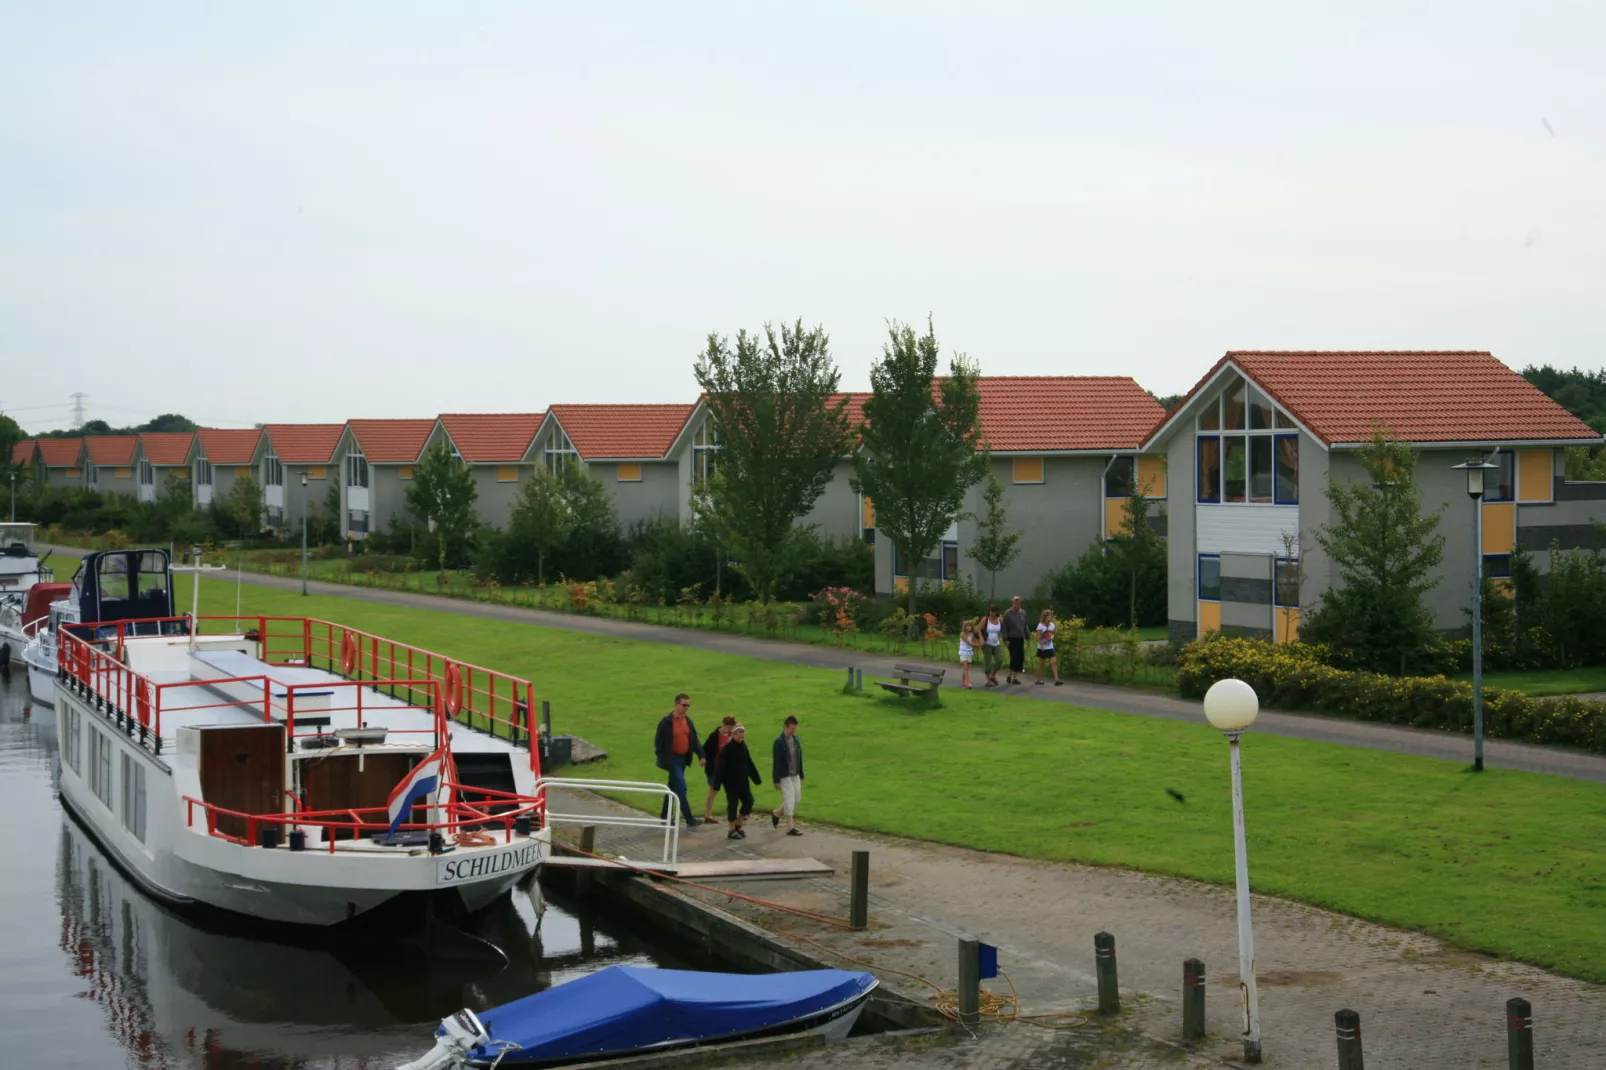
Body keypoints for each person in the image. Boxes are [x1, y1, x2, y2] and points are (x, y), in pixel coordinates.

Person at [653, 692, 705, 827]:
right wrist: (664, 758)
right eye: (684, 705)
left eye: (688, 705)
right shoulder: (666, 722)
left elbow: (694, 740)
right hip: (672, 760)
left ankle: (665, 816)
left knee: (672, 787)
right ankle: (689, 818)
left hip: (682, 759)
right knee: (681, 788)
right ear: (676, 705)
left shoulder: (688, 721)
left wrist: (701, 755)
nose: (686, 707)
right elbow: (658, 742)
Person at [716, 723, 762, 839]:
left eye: (743, 732)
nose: (742, 735)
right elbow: (721, 767)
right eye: (739, 733)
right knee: (733, 804)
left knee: (749, 801)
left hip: (743, 781)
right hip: (731, 783)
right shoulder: (727, 749)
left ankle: (738, 824)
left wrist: (756, 778)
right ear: (734, 734)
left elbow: (748, 762)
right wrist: (717, 784)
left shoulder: (743, 746)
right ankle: (731, 829)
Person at [769, 715, 805, 836]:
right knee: (789, 800)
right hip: (784, 775)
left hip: (795, 774)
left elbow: (799, 758)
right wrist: (776, 780)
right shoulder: (779, 743)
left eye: (795, 729)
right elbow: (776, 762)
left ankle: (777, 812)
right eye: (791, 729)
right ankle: (790, 827)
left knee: (797, 799)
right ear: (786, 727)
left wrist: (801, 773)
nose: (793, 731)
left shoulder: (796, 740)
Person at [701, 715, 737, 823]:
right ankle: (708, 815)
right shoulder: (714, 736)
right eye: (729, 727)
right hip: (715, 769)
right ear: (724, 725)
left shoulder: (731, 736)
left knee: (733, 791)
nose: (730, 730)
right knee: (713, 791)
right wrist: (703, 759)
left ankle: (735, 814)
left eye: (731, 728)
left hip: (727, 770)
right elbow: (705, 749)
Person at [1001, 596, 1029, 685]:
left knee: (1020, 658)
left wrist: (1028, 637)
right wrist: (1005, 639)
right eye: (1015, 603)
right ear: (1012, 603)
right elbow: (1004, 628)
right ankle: (1011, 676)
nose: (1017, 605)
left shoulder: (1023, 613)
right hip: (1011, 638)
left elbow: (1025, 626)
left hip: (1020, 638)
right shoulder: (1008, 614)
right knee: (1014, 657)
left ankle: (1014, 677)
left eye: (1019, 603)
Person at [1035, 608, 1062, 686]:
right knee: (1041, 663)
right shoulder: (1040, 625)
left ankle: (1057, 680)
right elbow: (1037, 636)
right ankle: (1038, 679)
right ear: (1045, 617)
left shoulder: (1052, 625)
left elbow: (1052, 633)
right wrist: (1041, 644)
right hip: (1042, 647)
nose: (1050, 617)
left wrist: (1052, 637)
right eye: (1049, 616)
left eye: (1051, 616)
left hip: (1050, 646)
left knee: (1054, 662)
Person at [982, 604, 1004, 687]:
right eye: (991, 611)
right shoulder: (985, 619)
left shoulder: (999, 620)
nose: (992, 613)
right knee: (988, 663)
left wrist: (1004, 639)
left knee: (999, 660)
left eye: (994, 612)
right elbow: (977, 629)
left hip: (996, 643)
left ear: (996, 612)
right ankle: (988, 680)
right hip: (987, 643)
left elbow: (1003, 631)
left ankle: (992, 676)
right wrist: (981, 639)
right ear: (989, 611)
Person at [957, 617, 979, 688]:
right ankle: (968, 683)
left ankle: (963, 681)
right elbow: (969, 643)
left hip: (969, 652)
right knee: (966, 667)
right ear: (964, 627)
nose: (969, 627)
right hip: (963, 652)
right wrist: (979, 644)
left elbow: (974, 642)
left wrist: (978, 639)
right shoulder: (962, 634)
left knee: (966, 668)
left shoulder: (972, 634)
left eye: (969, 626)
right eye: (967, 626)